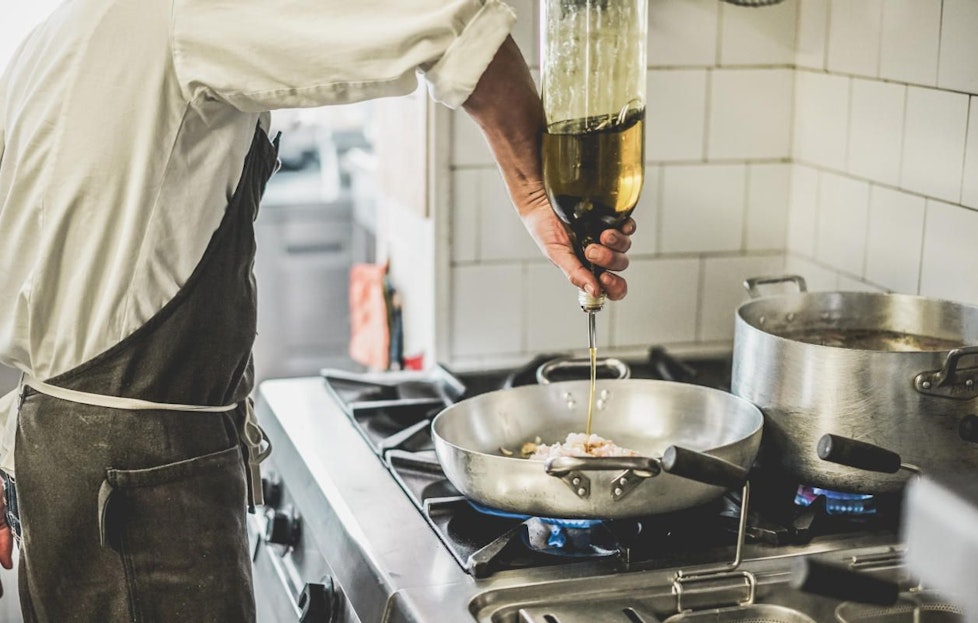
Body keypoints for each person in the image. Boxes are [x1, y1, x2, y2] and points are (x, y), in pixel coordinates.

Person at [0, 0, 635, 620]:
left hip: (49, 462)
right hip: (137, 488)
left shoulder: (52, 38)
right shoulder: (181, 12)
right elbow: (459, 26)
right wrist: (533, 195)